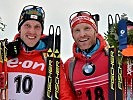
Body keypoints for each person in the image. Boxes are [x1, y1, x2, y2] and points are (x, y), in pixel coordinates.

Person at [0, 5, 74, 100]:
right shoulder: (5, 56)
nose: (32, 31)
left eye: (37, 27)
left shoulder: (51, 59)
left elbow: (65, 95)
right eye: (27, 26)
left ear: (41, 31)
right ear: (20, 28)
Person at [64, 11, 109, 100]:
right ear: (72, 35)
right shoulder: (69, 66)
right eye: (77, 30)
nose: (82, 34)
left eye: (87, 28)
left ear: (95, 31)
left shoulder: (112, 56)